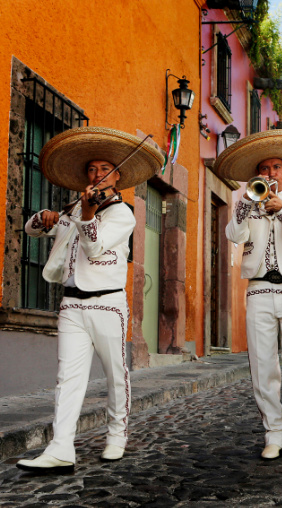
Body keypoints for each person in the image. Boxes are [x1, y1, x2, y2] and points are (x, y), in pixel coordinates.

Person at [17, 127, 164, 472]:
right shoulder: (73, 209)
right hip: (71, 305)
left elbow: (94, 246)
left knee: (116, 374)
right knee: (67, 377)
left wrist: (85, 215)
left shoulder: (121, 214)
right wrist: (46, 218)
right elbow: (31, 229)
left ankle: (117, 434)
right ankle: (61, 447)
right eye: (92, 170)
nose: (97, 175)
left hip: (107, 305)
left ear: (118, 176)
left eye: (104, 169)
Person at [214, 130, 282, 460]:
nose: (269, 174)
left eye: (275, 167)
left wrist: (281, 210)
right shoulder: (248, 201)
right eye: (263, 169)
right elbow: (233, 235)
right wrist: (246, 204)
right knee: (263, 364)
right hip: (259, 289)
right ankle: (273, 431)